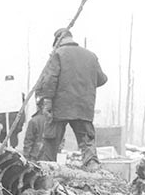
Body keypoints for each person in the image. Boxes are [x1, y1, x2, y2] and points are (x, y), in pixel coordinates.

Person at [38, 28, 107, 170]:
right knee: (87, 144)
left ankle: (47, 174)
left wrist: (47, 102)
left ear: (58, 41)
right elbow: (102, 79)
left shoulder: (57, 54)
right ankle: (93, 171)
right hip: (84, 107)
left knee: (50, 144)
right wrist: (85, 85)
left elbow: (50, 80)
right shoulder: (91, 56)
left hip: (60, 107)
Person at [0, 75, 25, 148]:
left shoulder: (19, 96)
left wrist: (19, 127)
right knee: (0, 147)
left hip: (13, 128)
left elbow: (22, 113)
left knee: (12, 147)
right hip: (2, 128)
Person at [22, 97, 47, 161]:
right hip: (49, 155)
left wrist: (26, 156)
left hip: (35, 155)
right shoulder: (55, 121)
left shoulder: (34, 121)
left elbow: (28, 140)